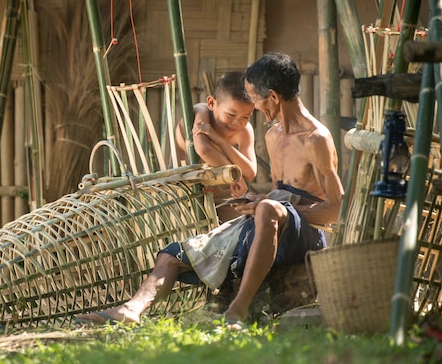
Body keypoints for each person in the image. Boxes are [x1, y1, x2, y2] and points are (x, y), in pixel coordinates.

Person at [75, 52, 344, 328]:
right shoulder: (273, 135)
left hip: (304, 236)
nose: (253, 107)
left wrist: (272, 206)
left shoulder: (316, 140)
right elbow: (276, 195)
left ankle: (237, 310)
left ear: (273, 97)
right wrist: (259, 200)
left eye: (255, 99)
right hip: (271, 220)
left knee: (266, 208)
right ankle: (131, 309)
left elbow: (335, 209)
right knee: (174, 255)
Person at [174, 71, 257, 221]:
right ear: (212, 103)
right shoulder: (200, 111)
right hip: (188, 194)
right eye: (231, 115)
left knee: (242, 231)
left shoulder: (245, 130)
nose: (237, 123)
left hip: (225, 197)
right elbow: (203, 149)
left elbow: (250, 173)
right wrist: (235, 178)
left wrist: (222, 141)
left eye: (246, 117)